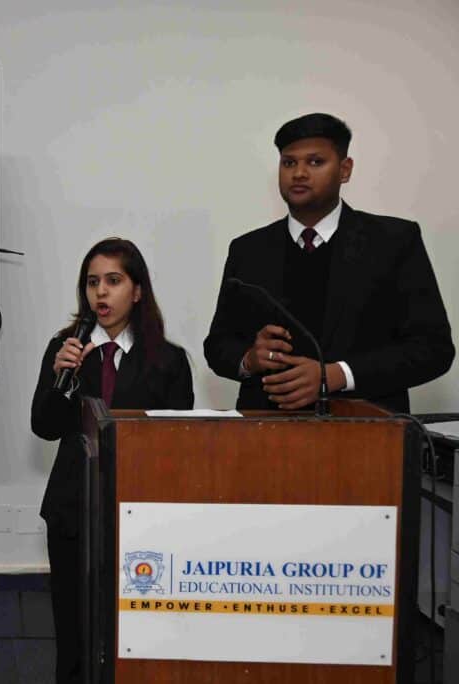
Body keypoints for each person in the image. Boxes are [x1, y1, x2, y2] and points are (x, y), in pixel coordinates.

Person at [204, 113, 454, 412]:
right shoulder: (249, 250)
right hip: (266, 429)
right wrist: (249, 359)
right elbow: (218, 346)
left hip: (367, 430)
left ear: (345, 170)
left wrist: (336, 375)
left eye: (315, 162)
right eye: (289, 163)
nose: (299, 173)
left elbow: (433, 349)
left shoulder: (393, 242)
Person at [31, 237, 194, 683]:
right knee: (73, 629)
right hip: (72, 508)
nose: (100, 292)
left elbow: (178, 447)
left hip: (139, 512)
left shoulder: (169, 360)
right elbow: (44, 426)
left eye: (113, 281)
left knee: (133, 627)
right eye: (92, 282)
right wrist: (62, 378)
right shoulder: (65, 348)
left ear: (137, 291)